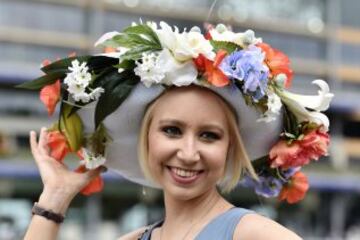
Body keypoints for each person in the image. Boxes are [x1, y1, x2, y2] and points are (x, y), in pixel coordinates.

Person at [20, 21, 333, 240]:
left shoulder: (256, 235)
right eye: (171, 130)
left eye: (209, 135)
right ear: (147, 138)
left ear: (230, 148)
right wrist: (55, 199)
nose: (188, 153)